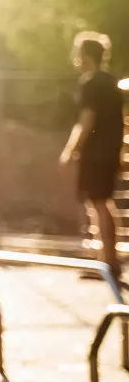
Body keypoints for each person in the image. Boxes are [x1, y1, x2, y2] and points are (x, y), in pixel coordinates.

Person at [61, 33, 124, 279]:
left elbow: (86, 121)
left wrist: (71, 150)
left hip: (95, 155)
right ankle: (109, 259)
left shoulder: (90, 84)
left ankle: (107, 263)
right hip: (109, 153)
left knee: (98, 205)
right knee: (104, 204)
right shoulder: (111, 83)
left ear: (86, 55)